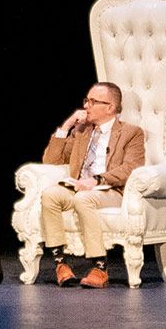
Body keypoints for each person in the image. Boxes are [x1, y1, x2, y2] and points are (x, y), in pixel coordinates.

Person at [36, 81, 146, 289]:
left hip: (109, 190)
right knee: (50, 194)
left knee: (83, 198)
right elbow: (51, 159)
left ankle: (100, 267)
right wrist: (67, 126)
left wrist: (97, 180)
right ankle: (61, 264)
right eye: (86, 100)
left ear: (110, 108)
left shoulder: (132, 133)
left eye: (93, 101)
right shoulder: (82, 131)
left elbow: (131, 167)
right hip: (79, 187)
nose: (86, 105)